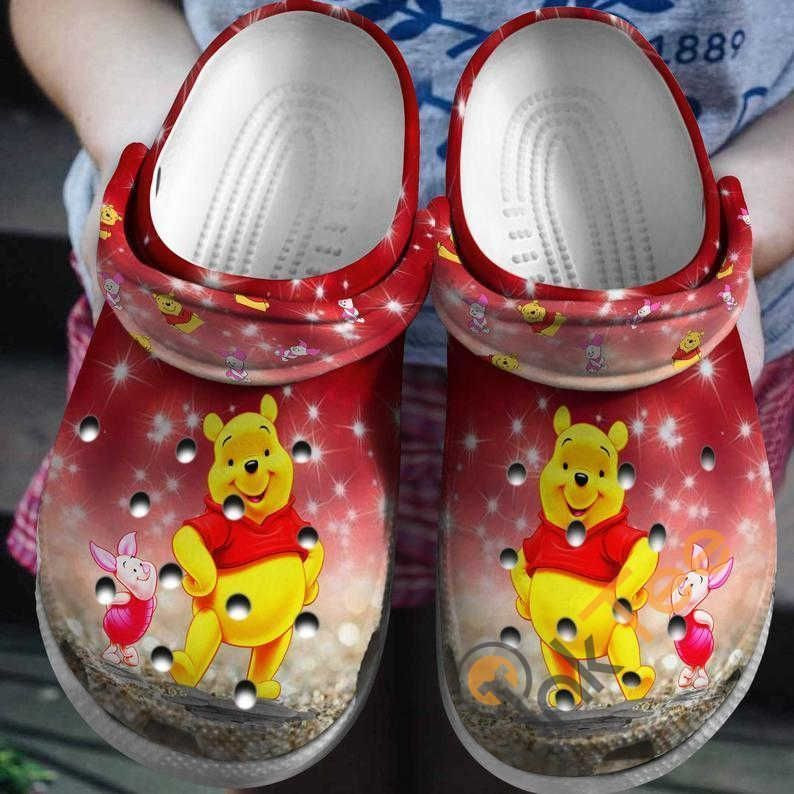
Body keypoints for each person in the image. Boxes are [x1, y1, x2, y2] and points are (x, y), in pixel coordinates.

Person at [9, 0, 794, 600]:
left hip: (681, 342)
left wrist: (742, 225)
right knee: (276, 702)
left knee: (524, 718)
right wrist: (156, 145)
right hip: (203, 300)